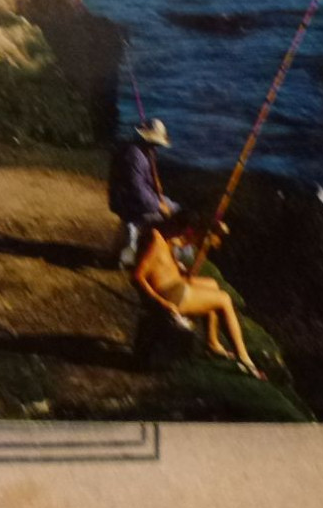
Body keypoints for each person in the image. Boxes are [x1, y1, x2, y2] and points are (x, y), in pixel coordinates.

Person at [133, 211, 263, 380]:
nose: (181, 236)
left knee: (212, 285)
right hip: (170, 295)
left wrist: (212, 233)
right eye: (181, 231)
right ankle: (244, 358)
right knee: (223, 299)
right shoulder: (155, 240)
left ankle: (212, 343)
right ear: (174, 225)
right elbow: (137, 277)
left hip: (175, 285)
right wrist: (160, 302)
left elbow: (167, 260)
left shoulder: (165, 237)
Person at [107, 118, 176, 269]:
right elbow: (138, 191)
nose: (157, 146)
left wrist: (157, 189)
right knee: (169, 215)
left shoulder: (145, 151)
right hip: (127, 202)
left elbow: (146, 184)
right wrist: (159, 205)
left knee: (175, 207)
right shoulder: (134, 156)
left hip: (135, 198)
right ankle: (145, 253)